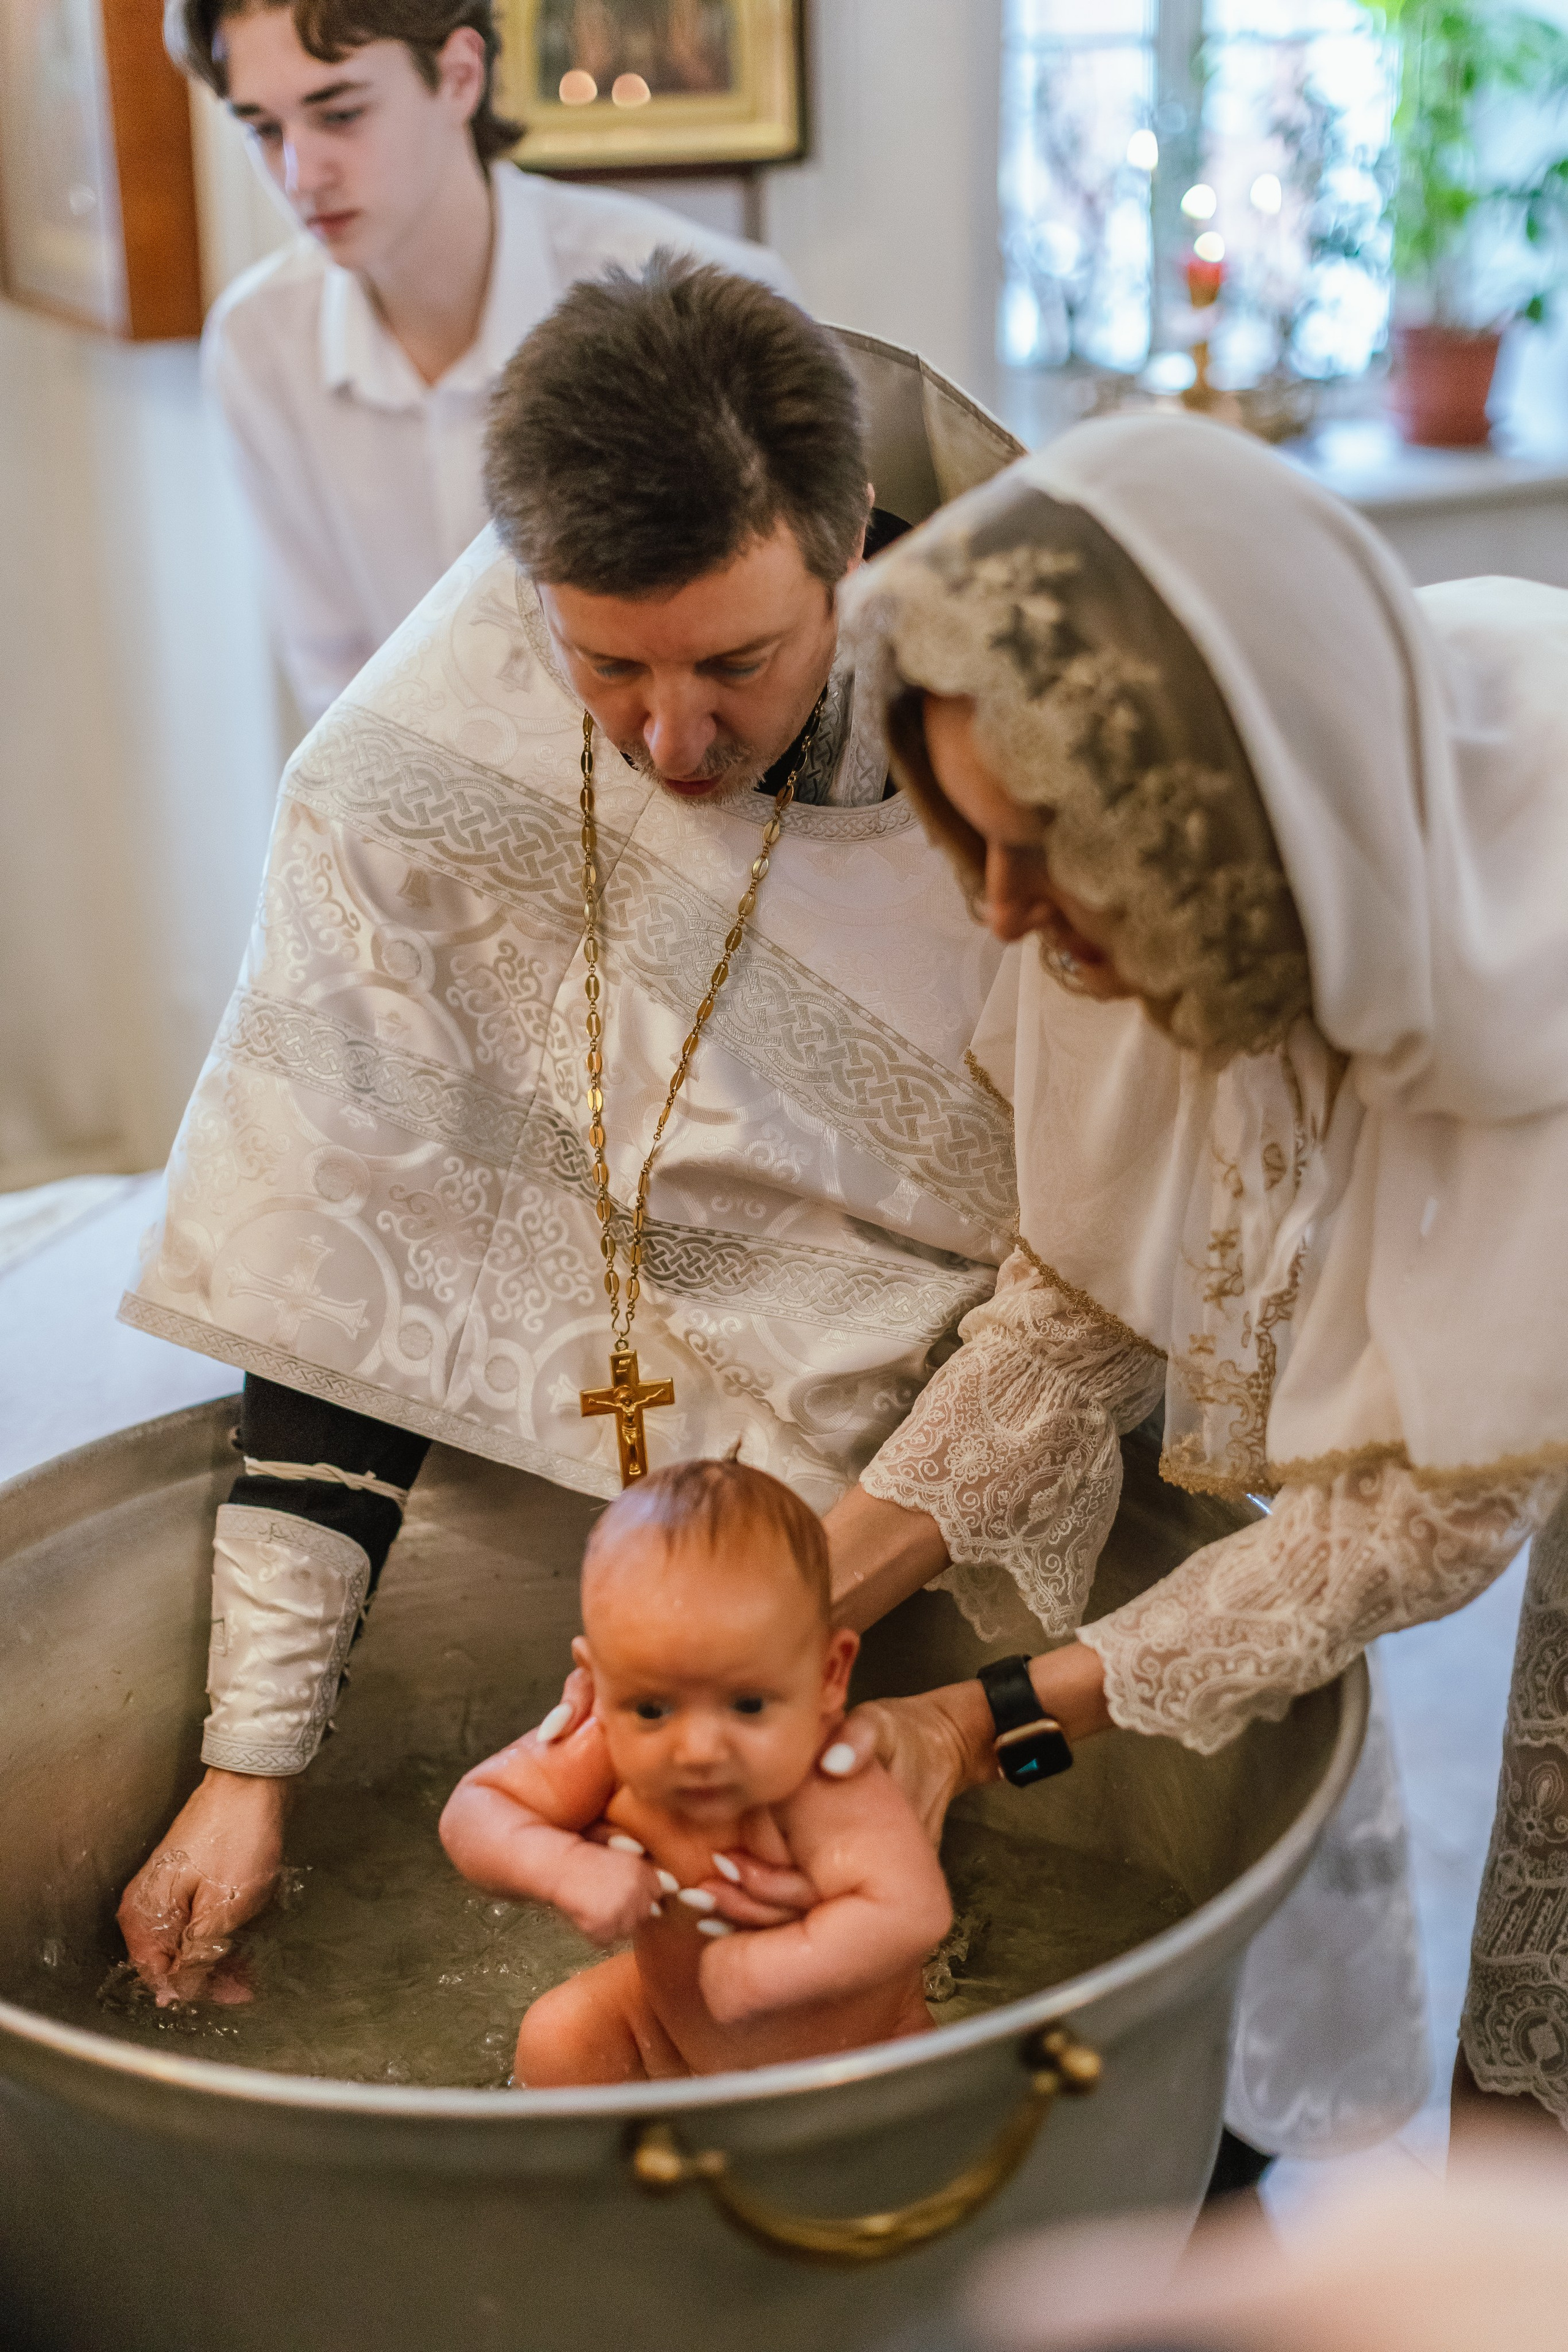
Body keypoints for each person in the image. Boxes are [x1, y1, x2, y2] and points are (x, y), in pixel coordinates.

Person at [115, 257, 1023, 2002]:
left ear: (845, 552)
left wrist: (818, 1625)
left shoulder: (1011, 751)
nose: (674, 737)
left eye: (738, 664)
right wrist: (253, 1765)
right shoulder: (405, 776)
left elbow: (1102, 1262)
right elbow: (344, 1249)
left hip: (947, 1472)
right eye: (607, 665)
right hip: (616, 1539)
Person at [777, 412, 1564, 2147]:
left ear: (1206, 823)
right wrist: (796, 1608)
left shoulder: (1524, 945)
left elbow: (1410, 1522)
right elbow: (1076, 1319)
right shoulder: (1183, 857)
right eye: (963, 839)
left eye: (1037, 851)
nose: (996, 913)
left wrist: (979, 1728)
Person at [167, 0, 794, 723]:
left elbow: (783, 648)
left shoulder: (701, 300)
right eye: (264, 130)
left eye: (339, 114)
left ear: (460, 76)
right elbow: (335, 674)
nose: (302, 175)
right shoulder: (260, 344)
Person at [439, 1458, 949, 2082]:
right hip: (664, 2040)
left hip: (855, 2061)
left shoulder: (833, 1783)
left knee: (920, 2107)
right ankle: (590, 2169)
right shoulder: (605, 1742)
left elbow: (911, 1913)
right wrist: (559, 1865)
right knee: (560, 2035)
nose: (699, 1748)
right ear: (598, 1682)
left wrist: (773, 1967)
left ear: (827, 1676)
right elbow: (477, 1808)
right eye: (652, 1707)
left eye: (748, 1704)